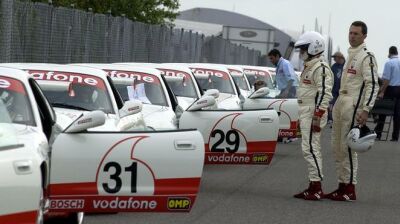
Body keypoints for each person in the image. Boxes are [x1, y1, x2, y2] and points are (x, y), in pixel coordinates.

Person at [326, 21, 379, 201]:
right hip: (341, 100)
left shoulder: (367, 56)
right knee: (337, 146)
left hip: (353, 103)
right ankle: (341, 185)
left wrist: (366, 110)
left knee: (349, 147)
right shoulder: (350, 55)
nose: (352, 36)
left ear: (364, 36)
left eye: (356, 33)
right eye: (350, 33)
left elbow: (372, 84)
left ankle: (350, 188)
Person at [292, 31, 333, 200]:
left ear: (313, 47)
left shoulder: (320, 68)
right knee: (309, 147)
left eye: (303, 48)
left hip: (313, 113)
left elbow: (325, 93)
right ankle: (313, 184)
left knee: (310, 148)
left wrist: (318, 114)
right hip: (307, 111)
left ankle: (316, 187)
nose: (301, 52)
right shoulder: (311, 66)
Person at [374, 46, 400, 141]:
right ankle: (395, 136)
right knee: (397, 114)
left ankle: (378, 134)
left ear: (390, 53)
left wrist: (382, 91)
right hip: (399, 89)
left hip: (391, 89)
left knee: (383, 111)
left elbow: (386, 80)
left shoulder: (389, 63)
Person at [328, 51, 345, 124]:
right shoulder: (334, 66)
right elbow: (329, 77)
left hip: (343, 91)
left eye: (335, 58)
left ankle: (340, 119)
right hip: (334, 91)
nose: (334, 59)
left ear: (340, 58)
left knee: (342, 106)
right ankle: (330, 118)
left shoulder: (346, 65)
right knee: (331, 104)